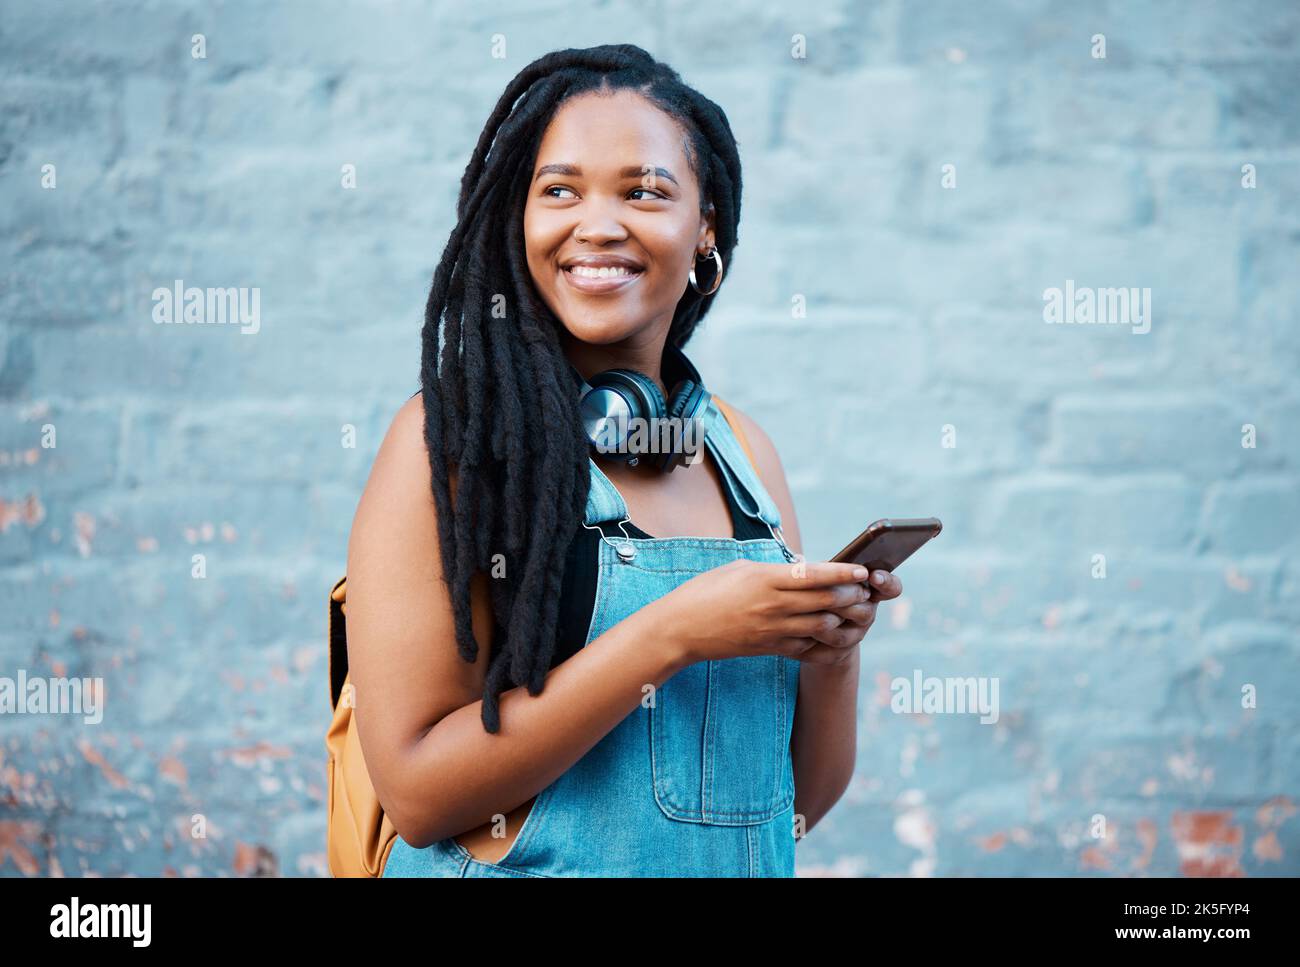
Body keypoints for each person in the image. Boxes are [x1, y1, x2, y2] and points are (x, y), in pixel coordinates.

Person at [344, 44, 903, 878]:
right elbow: (420, 795)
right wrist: (673, 634)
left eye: (644, 191)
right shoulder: (450, 444)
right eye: (559, 190)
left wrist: (834, 652)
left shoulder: (742, 454)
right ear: (517, 220)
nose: (597, 223)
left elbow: (795, 806)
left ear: (705, 223)